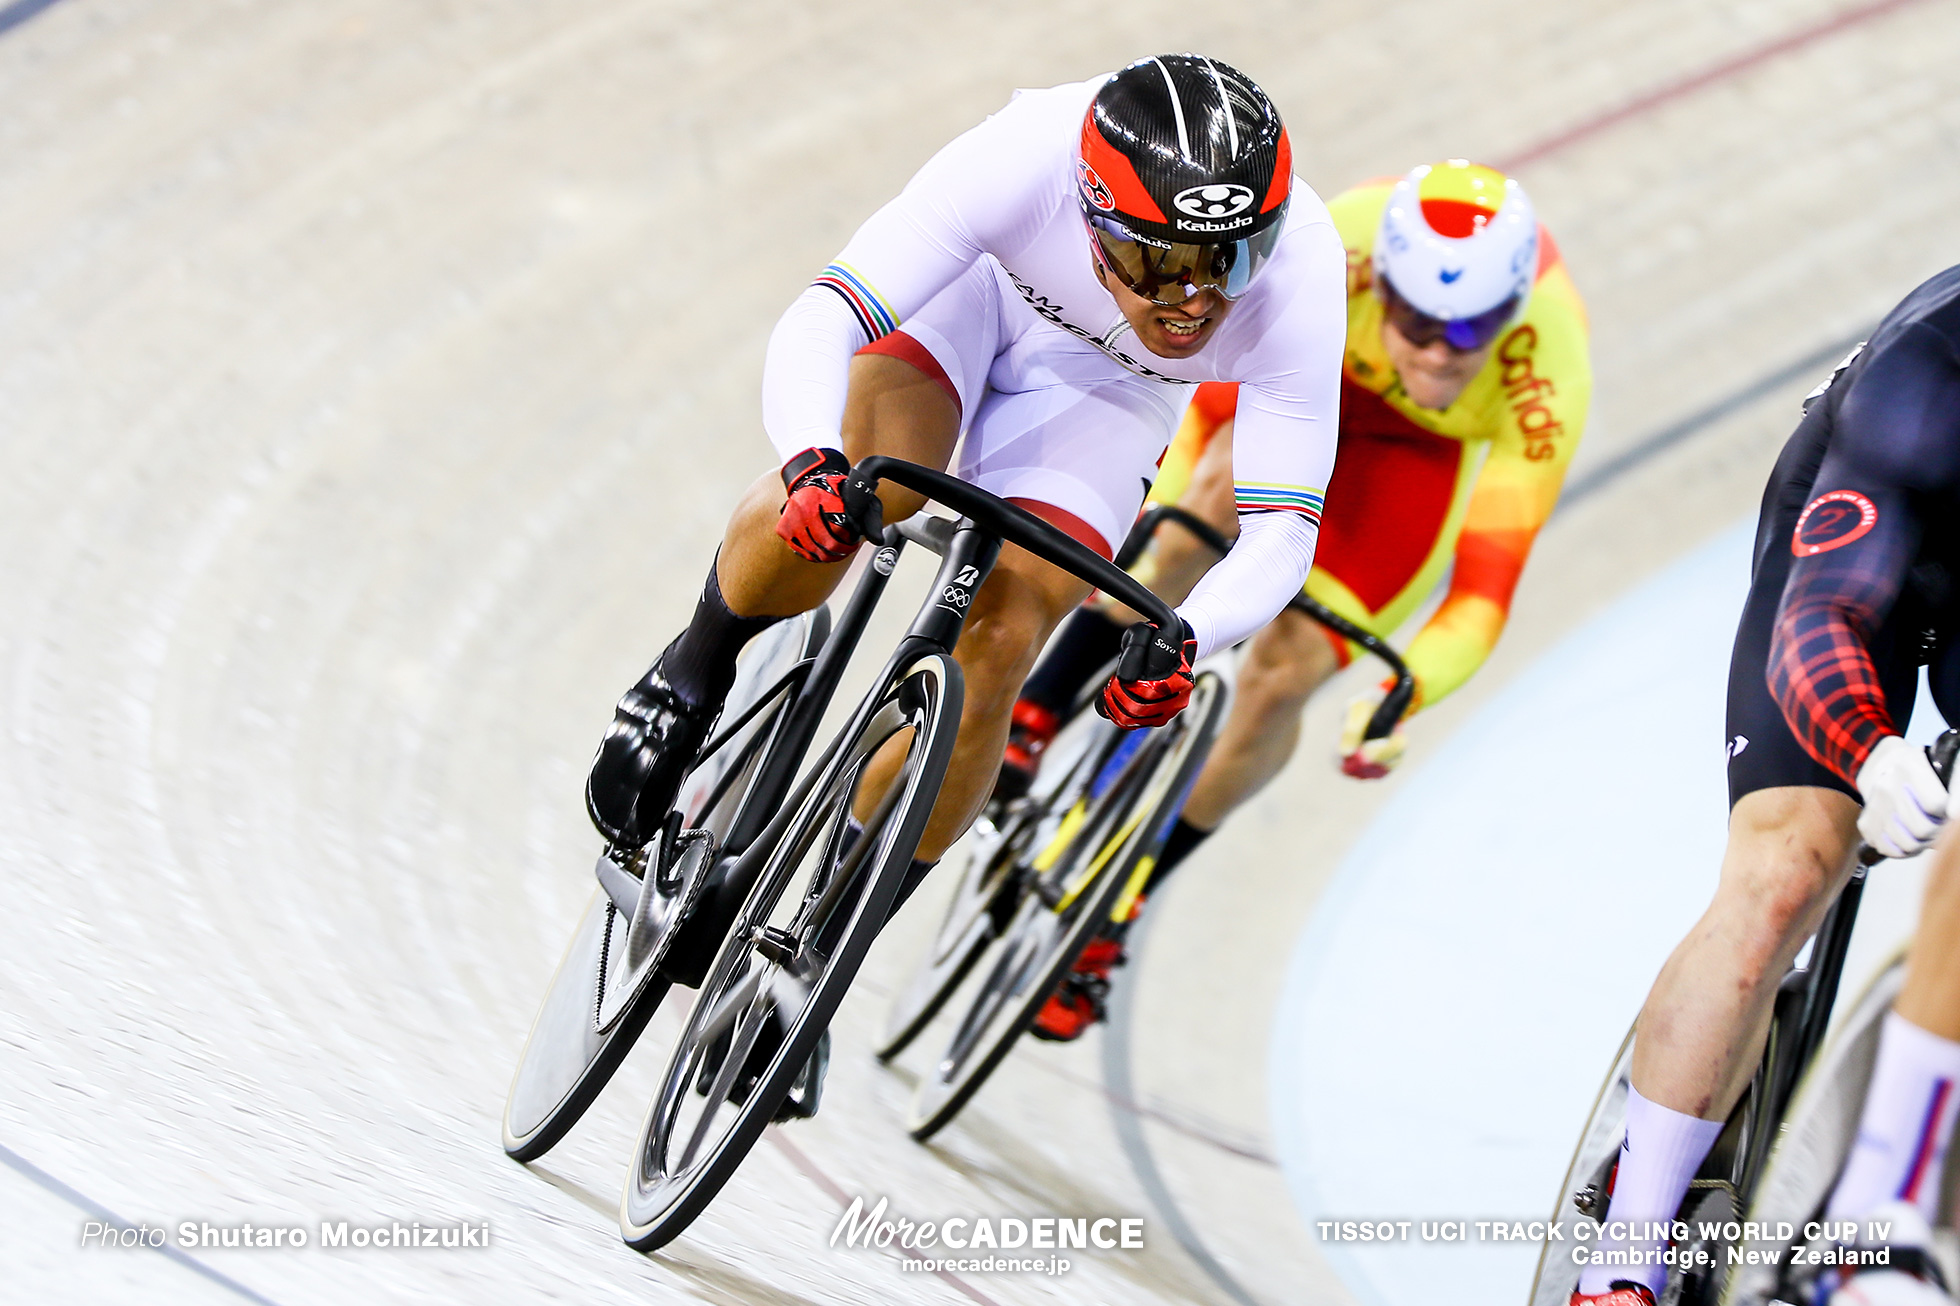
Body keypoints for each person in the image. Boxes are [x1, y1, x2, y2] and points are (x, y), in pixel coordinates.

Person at [582, 55, 1347, 1116]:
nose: (1195, 301)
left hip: (1105, 396)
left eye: (1230, 260)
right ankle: (690, 670)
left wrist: (1188, 637)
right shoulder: (1022, 157)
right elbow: (823, 320)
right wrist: (812, 462)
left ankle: (822, 950)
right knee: (857, 505)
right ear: (1090, 216)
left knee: (1005, 638)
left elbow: (1279, 533)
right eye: (1161, 261)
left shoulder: (1301, 272)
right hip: (969, 311)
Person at [1001, 159, 1592, 1041]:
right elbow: (1204, 378)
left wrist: (1404, 693)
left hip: (1409, 472)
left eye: (1468, 333)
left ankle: (1116, 911)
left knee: (1286, 675)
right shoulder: (1334, 242)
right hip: (1309, 393)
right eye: (1420, 322)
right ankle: (1034, 717)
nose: (1436, 352)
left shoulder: (1550, 376)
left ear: (1509, 318)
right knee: (1195, 521)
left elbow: (1479, 594)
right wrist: (1163, 508)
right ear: (1382, 282)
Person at [1568, 266, 1960, 1306]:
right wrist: (1871, 753)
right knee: (1790, 864)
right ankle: (1628, 1254)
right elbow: (1821, 620)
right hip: (1875, 550)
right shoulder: (1930, 372)